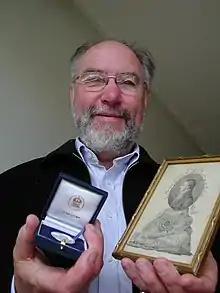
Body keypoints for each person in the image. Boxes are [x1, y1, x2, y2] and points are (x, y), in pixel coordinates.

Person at [1, 39, 219, 293]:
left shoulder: (200, 206)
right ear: (73, 93)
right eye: (94, 79)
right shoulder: (9, 187)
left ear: (145, 99)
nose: (112, 96)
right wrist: (20, 288)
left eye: (127, 82)